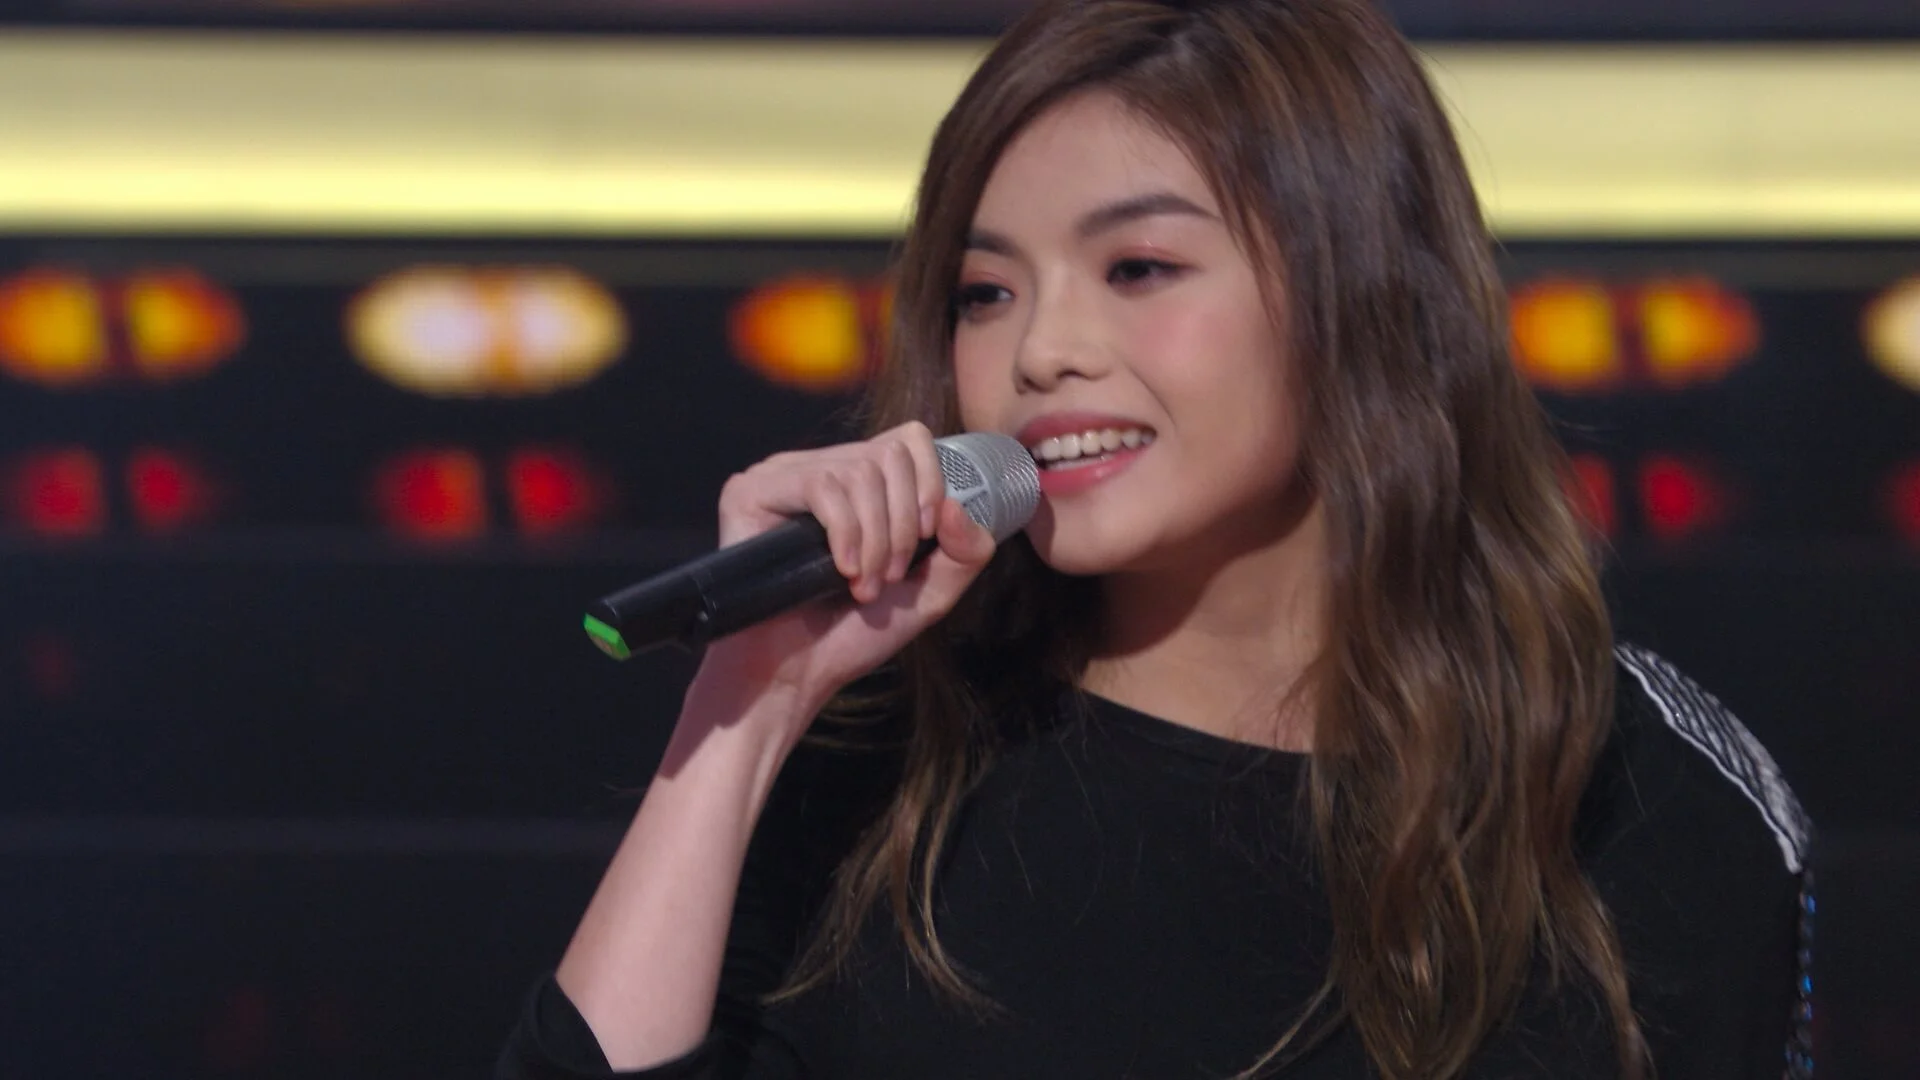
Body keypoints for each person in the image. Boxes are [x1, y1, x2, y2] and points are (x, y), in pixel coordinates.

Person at [498, 1, 1813, 1076]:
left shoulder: (1641, 787)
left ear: (1365, 292)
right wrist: (745, 713)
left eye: (1139, 269)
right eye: (985, 291)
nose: (1041, 350)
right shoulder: (869, 768)